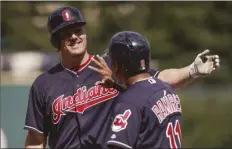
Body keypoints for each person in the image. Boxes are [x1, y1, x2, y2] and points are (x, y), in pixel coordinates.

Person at [24, 6, 220, 149]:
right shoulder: (43, 85)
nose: (75, 37)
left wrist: (192, 70)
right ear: (56, 42)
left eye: (78, 30)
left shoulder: (113, 65)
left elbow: (156, 81)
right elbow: (35, 139)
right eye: (66, 34)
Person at [97, 31, 183, 149]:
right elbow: (142, 101)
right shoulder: (166, 89)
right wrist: (116, 87)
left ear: (116, 65)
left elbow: (119, 146)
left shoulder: (128, 102)